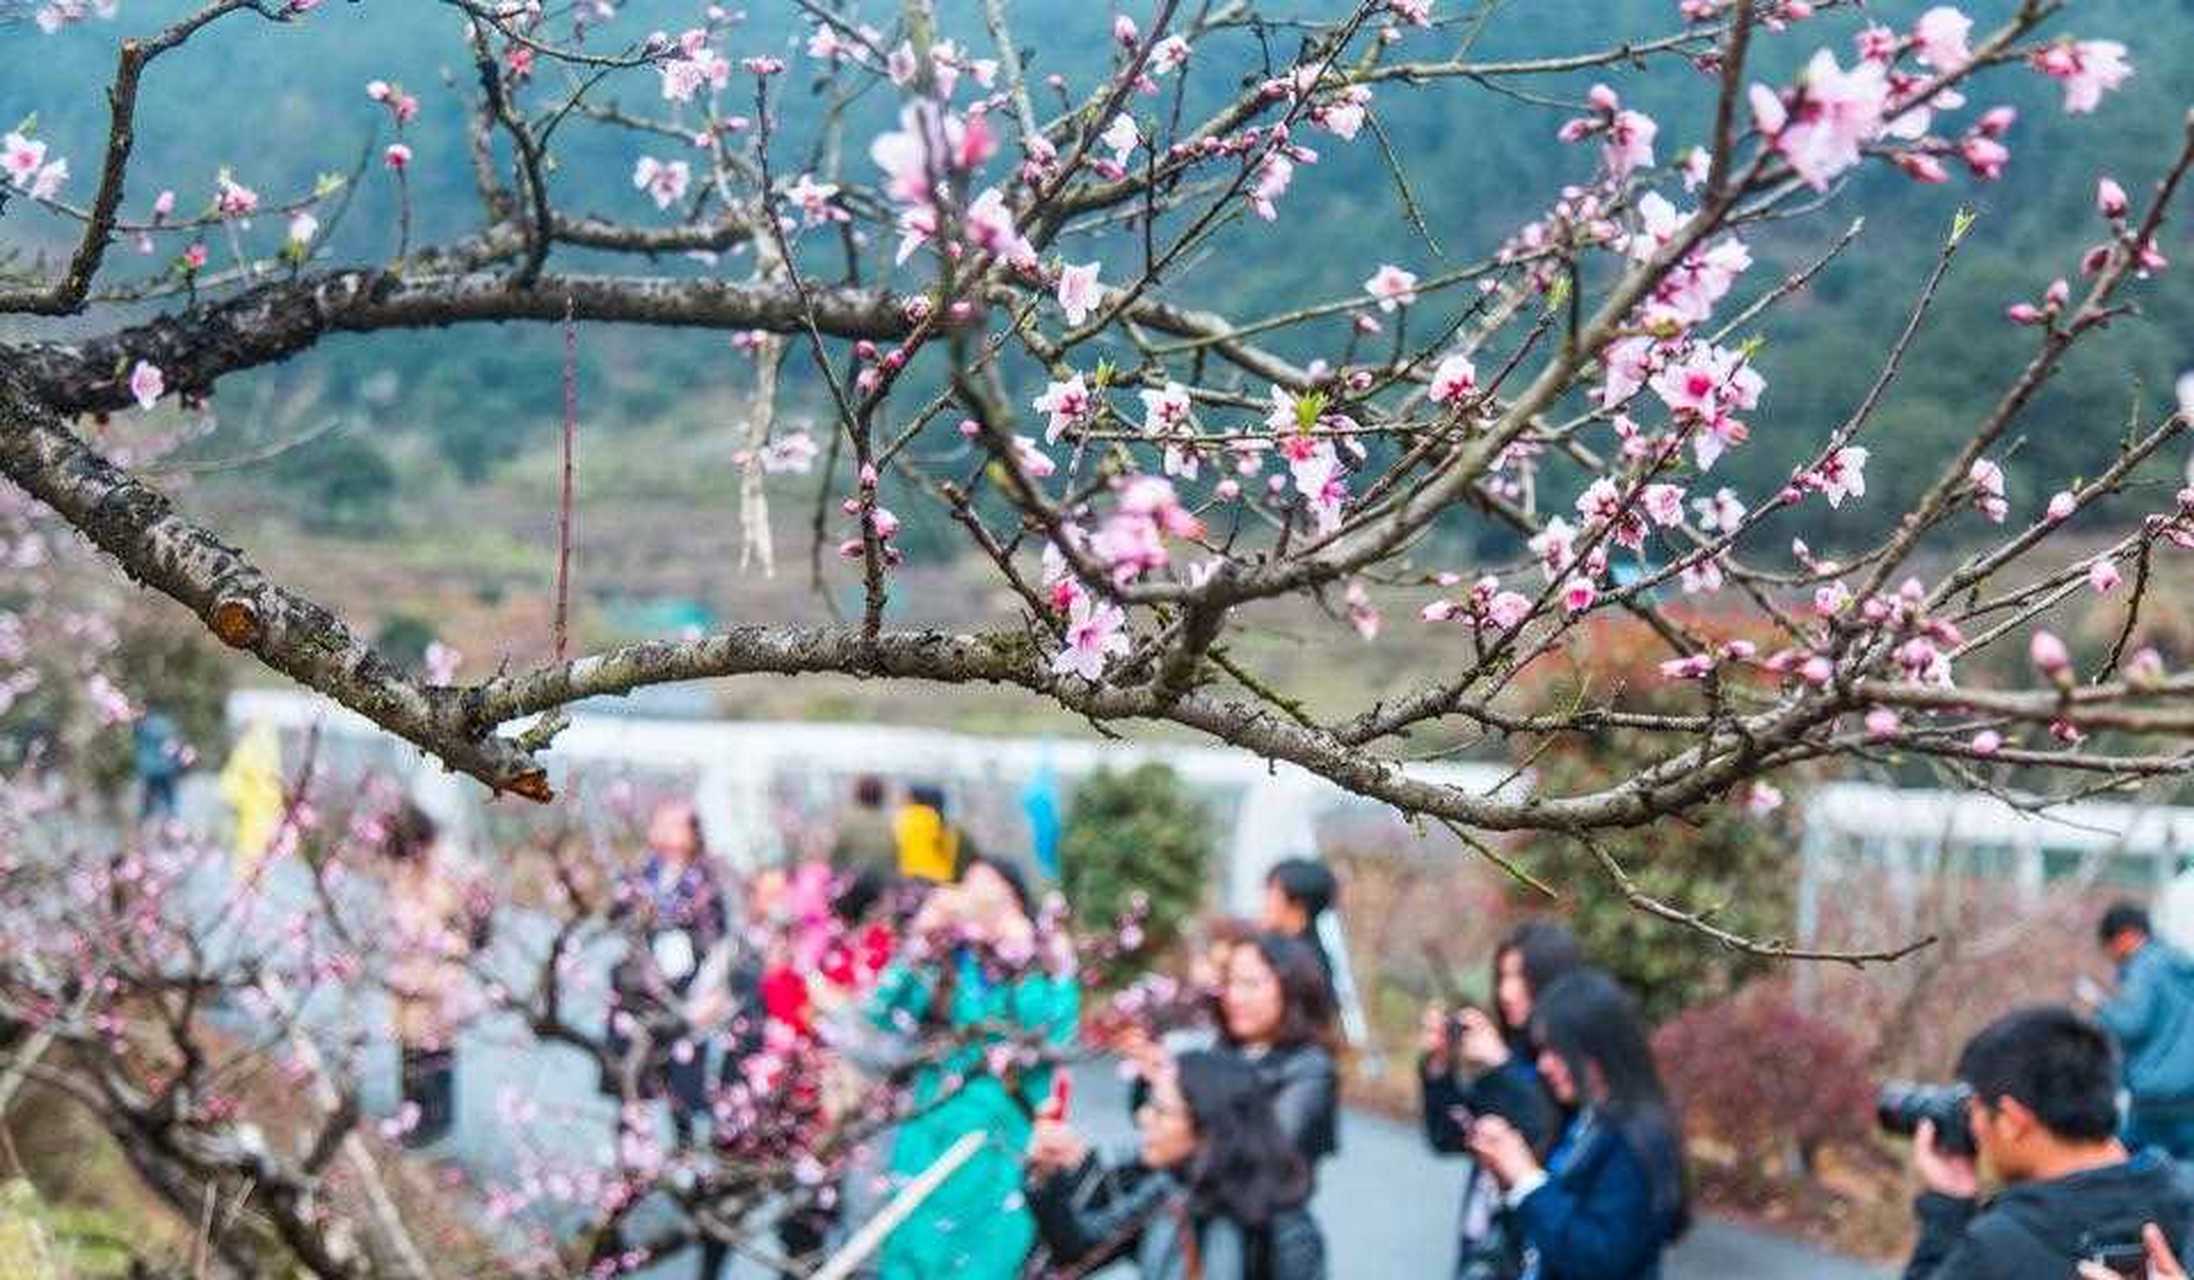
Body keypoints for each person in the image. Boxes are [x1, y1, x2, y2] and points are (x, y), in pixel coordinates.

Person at [869, 855, 1079, 1278]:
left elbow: (1054, 1034)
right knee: (912, 1251)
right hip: (931, 1126)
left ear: (1016, 899)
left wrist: (1024, 955)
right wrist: (920, 939)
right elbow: (882, 1012)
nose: (974, 897)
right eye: (967, 884)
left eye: (989, 887)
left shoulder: (1042, 958)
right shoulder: (947, 957)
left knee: (985, 1256)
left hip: (1000, 1139)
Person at [1904, 1005, 2194, 1279]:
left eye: (1975, 1109)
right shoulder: (2183, 1203)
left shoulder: (2001, 1248)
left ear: (2010, 1120)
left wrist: (1946, 1214)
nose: (1973, 1126)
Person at [1026, 1049, 1326, 1280]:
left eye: (1161, 1111)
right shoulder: (1169, 1193)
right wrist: (1047, 1176)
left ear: (1208, 1128)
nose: (1144, 1118)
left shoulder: (1286, 1231)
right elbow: (1080, 1247)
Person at [1466, 970, 1687, 1280]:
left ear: (1594, 1047)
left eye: (1556, 1050)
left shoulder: (1637, 1138)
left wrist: (1525, 1179)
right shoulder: (1588, 1118)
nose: (1544, 1064)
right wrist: (1509, 1177)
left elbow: (1600, 1258)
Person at [1420, 920, 1585, 1278]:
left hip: (1532, 1249)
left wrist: (1499, 1065)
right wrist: (1439, 1067)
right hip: (1483, 1242)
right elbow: (1448, 1136)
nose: (1508, 992)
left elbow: (1542, 1129)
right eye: (1503, 977)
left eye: (1520, 978)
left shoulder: (1568, 1066)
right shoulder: (1512, 1055)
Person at [605, 801, 729, 1147]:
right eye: (662, 825)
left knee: (682, 1080)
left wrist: (708, 995)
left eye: (677, 826)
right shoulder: (643, 872)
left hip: (683, 992)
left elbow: (717, 940)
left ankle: (686, 1155)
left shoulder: (704, 878)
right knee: (632, 1078)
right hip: (639, 990)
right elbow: (615, 914)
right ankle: (629, 1157)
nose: (668, 834)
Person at [380, 802, 485, 1148]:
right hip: (409, 971)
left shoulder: (448, 867)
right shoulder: (405, 867)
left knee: (434, 1045)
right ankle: (412, 1116)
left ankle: (435, 1121)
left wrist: (449, 957)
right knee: (408, 1044)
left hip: (439, 972)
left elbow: (468, 922)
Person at [1218, 932, 1340, 1177]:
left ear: (1290, 989)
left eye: (1250, 984)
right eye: (1230, 983)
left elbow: (1268, 1151)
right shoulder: (1222, 1047)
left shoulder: (1309, 1067)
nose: (1234, 997)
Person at [2089, 901, 2194, 1159]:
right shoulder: (2180, 965)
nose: (2112, 956)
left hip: (2156, 1095)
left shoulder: (2145, 967)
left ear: (2126, 936)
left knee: (2124, 1166)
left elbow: (2131, 1024)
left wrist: (2102, 1008)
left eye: (2109, 946)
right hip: (2189, 1094)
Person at [832, 773, 899, 877]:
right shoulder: (890, 824)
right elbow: (895, 858)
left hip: (854, 882)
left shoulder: (848, 821)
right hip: (881, 882)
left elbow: (837, 854)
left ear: (858, 794)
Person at [895, 783, 960, 884]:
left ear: (916, 799)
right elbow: (950, 855)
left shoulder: (906, 818)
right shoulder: (942, 823)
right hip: (940, 881)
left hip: (911, 880)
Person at [132, 707, 184, 821]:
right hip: (165, 768)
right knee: (170, 803)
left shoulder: (141, 726)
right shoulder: (165, 724)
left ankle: (145, 825)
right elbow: (173, 747)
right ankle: (171, 824)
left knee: (147, 804)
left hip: (150, 769)